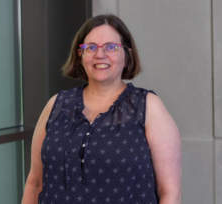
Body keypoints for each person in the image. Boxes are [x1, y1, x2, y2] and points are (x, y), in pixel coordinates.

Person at [22, 14, 181, 204]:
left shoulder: (148, 106)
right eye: (91, 47)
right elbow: (35, 182)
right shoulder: (56, 105)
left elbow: (169, 191)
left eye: (111, 47)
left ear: (127, 55)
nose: (100, 54)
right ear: (80, 55)